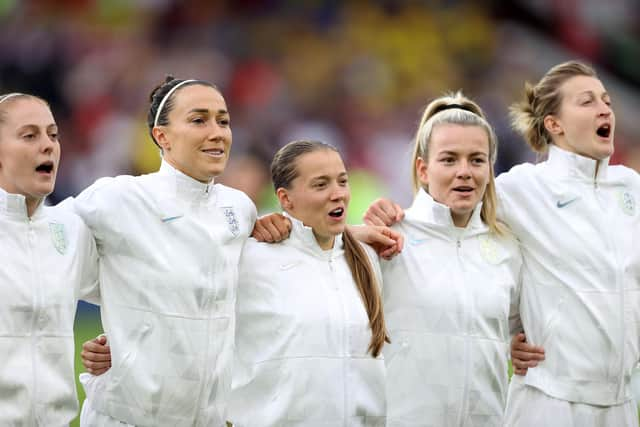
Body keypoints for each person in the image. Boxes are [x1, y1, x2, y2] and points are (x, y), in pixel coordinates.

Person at [365, 61, 640, 426]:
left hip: (622, 402)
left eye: (607, 100)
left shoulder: (631, 189)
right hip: (551, 401)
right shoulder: (520, 189)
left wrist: (506, 337)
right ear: (553, 124)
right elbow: (448, 222)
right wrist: (377, 219)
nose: (605, 108)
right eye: (587, 101)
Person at [369, 92, 522, 426]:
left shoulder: (508, 248)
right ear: (423, 169)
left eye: (477, 160)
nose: (464, 172)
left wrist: (521, 343)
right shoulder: (390, 238)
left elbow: (520, 331)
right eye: (450, 159)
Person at [227, 140, 388, 426]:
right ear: (285, 199)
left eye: (342, 181)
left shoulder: (367, 259)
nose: (337, 194)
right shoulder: (249, 258)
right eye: (320, 185)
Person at [0, 92, 99, 425]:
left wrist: (117, 343)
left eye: (53, 135)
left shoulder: (71, 228)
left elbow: (135, 294)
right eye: (29, 135)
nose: (48, 145)